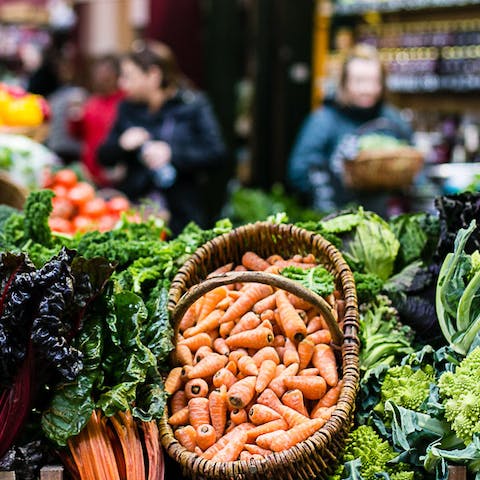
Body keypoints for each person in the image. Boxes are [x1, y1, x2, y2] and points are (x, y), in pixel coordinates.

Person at [97, 40, 226, 235]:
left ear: (153, 75)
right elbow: (103, 157)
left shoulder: (192, 105)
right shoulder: (127, 108)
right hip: (133, 215)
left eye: (128, 76)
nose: (122, 84)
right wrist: (122, 144)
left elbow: (216, 153)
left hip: (183, 217)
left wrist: (172, 154)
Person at [287, 43, 413, 216]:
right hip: (334, 219)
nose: (367, 90)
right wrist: (332, 185)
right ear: (344, 83)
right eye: (359, 81)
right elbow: (299, 170)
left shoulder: (392, 120)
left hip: (385, 219)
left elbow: (415, 166)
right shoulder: (323, 121)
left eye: (374, 81)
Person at [68, 54, 125, 187]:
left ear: (116, 76)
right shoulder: (92, 103)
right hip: (90, 172)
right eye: (97, 74)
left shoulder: (124, 103)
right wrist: (75, 119)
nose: (100, 78)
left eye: (105, 73)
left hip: (116, 173)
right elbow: (77, 135)